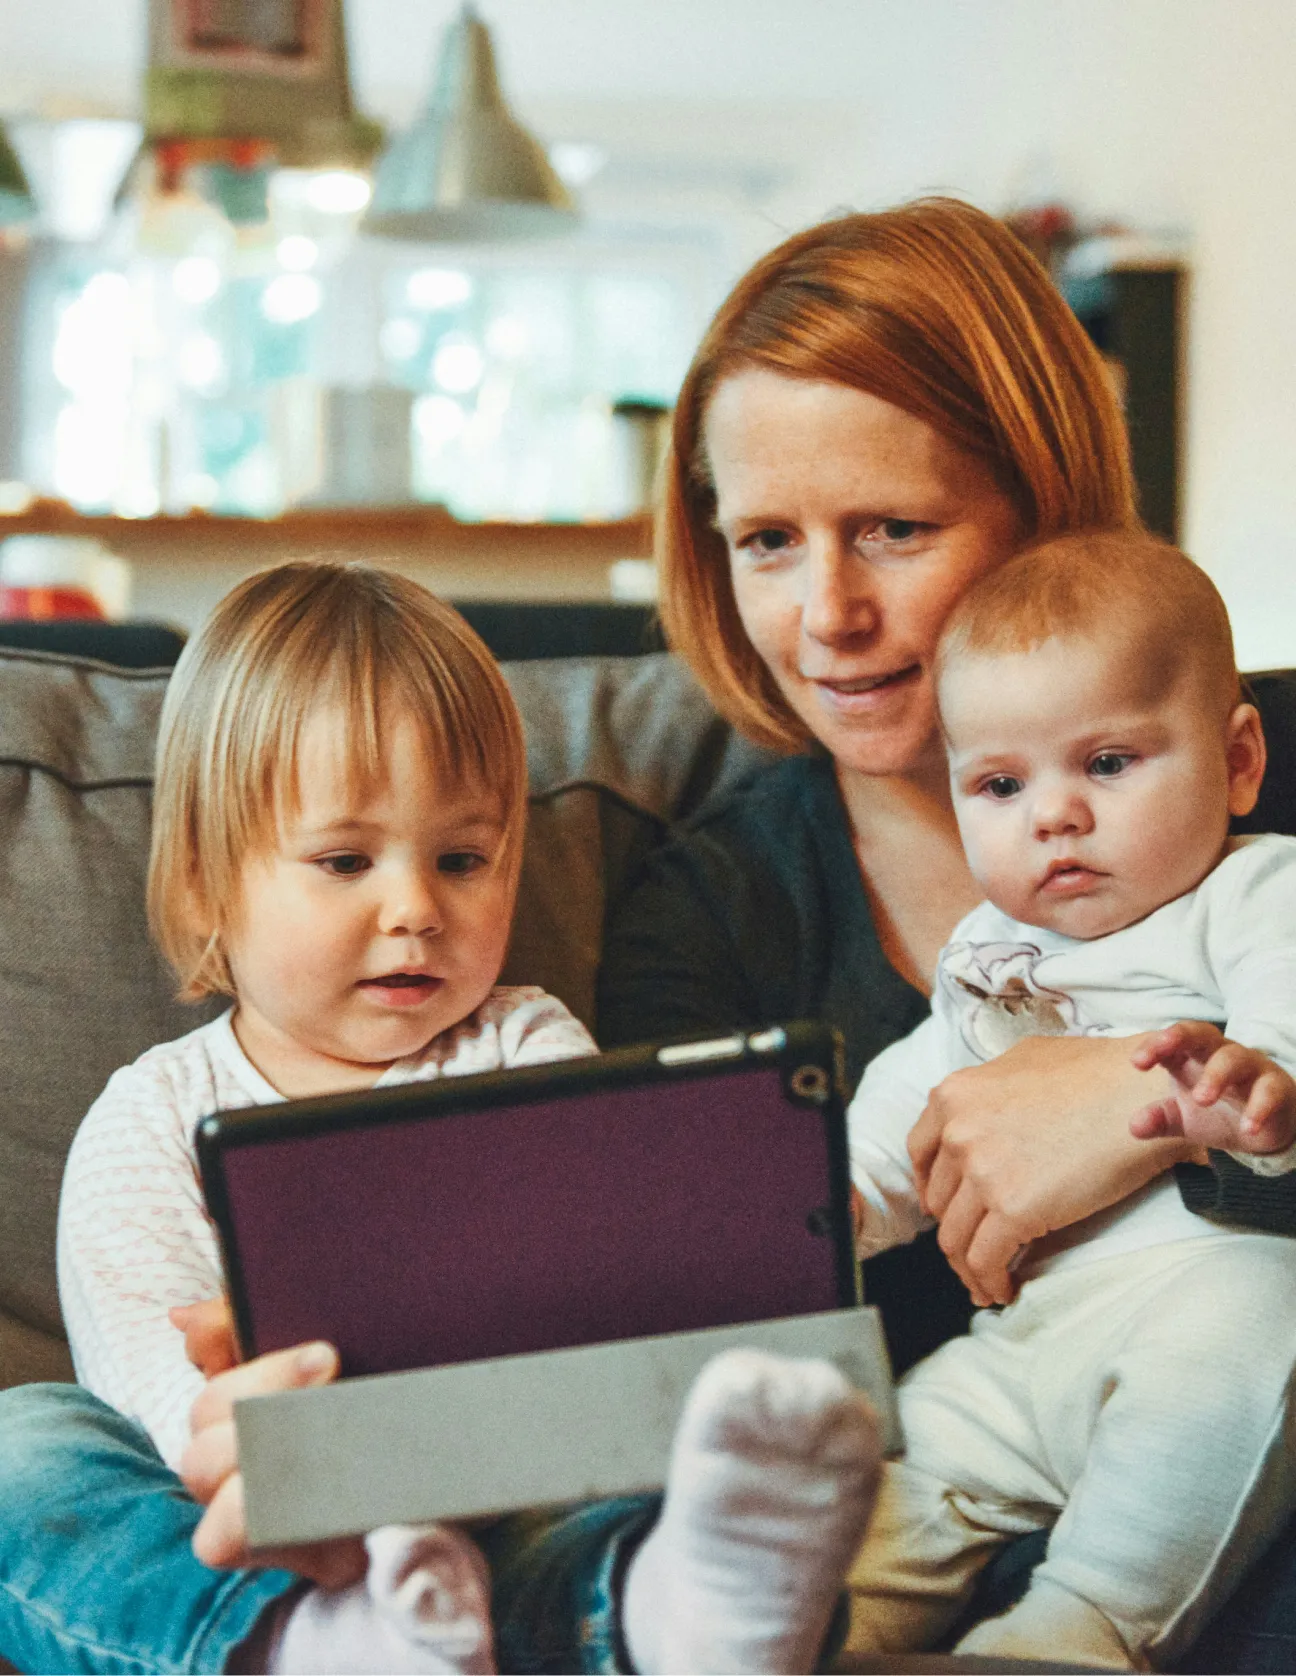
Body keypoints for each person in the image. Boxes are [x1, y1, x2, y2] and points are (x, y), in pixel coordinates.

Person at [3, 195, 1295, 1674]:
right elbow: (718, 1312)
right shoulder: (713, 906)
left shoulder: (1259, 787)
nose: (831, 614)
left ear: (1044, 500)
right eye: (767, 540)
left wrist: (1149, 1105)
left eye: (894, 528)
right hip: (893, 1505)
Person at [2, 557, 882, 1676]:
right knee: (24, 1446)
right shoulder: (151, 1115)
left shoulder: (525, 1044)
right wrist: (293, 1469)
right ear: (203, 885)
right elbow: (156, 1396)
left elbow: (615, 1282)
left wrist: (745, 1230)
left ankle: (681, 1612)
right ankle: (316, 1645)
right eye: (346, 860)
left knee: (673, 1455)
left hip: (511, 1504)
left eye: (463, 857)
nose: (417, 907)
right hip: (266, 1536)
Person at [840, 528, 1296, 1669]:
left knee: (1240, 1345)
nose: (1053, 815)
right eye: (1000, 783)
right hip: (1022, 1336)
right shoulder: (992, 948)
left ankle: (1082, 1625)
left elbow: (1289, 987)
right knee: (899, 1457)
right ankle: (813, 1624)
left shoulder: (1250, 890)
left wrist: (1265, 1074)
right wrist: (836, 1197)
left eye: (1106, 763)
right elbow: (922, 1085)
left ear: (1239, 758)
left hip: (1197, 1296)